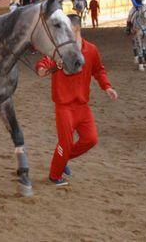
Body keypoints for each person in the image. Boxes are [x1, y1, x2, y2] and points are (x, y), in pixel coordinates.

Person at [36, 14, 118, 187]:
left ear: (77, 28)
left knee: (91, 139)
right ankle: (54, 175)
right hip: (64, 107)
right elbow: (44, 63)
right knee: (65, 144)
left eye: (68, 28)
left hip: (82, 106)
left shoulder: (91, 50)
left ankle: (63, 158)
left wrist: (107, 87)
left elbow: (99, 70)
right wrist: (42, 68)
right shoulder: (59, 50)